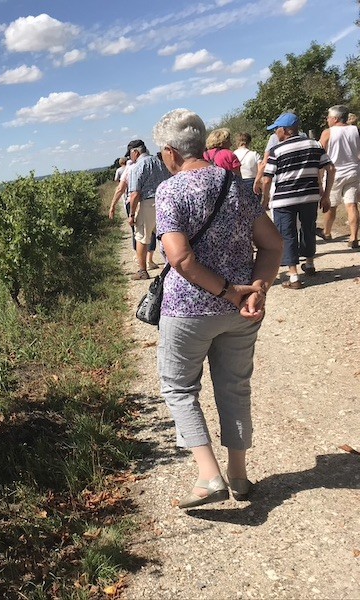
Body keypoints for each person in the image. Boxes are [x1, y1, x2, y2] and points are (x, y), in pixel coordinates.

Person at [152, 108, 283, 509]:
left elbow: (180, 259)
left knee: (179, 388)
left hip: (188, 309)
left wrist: (227, 291)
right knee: (235, 388)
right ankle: (239, 476)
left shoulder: (171, 191)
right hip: (241, 311)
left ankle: (209, 476)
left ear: (171, 152)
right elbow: (273, 245)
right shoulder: (237, 185)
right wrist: (255, 289)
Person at [261, 112, 335, 289]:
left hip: (283, 199)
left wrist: (265, 198)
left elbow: (267, 178)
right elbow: (330, 168)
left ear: (285, 130)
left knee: (286, 233)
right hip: (309, 196)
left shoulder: (276, 150)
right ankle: (309, 264)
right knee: (308, 229)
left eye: (277, 130)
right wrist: (326, 195)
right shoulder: (314, 144)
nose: (275, 134)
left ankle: (293, 276)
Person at [317, 105, 360, 245]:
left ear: (335, 118)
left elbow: (319, 154)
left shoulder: (328, 133)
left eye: (329, 117)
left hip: (335, 172)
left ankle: (327, 232)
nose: (327, 119)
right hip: (353, 170)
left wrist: (319, 175)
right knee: (352, 205)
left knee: (331, 204)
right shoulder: (355, 130)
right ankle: (354, 237)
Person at [127, 139, 169, 279]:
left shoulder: (137, 167)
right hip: (164, 200)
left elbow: (135, 194)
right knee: (166, 236)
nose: (130, 157)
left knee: (142, 237)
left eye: (130, 154)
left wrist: (132, 214)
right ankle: (173, 267)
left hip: (148, 203)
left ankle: (142, 270)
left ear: (136, 152)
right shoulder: (159, 161)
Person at [109, 155, 159, 268]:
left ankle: (140, 261)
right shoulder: (155, 163)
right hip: (155, 200)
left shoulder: (130, 169)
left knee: (138, 232)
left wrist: (113, 206)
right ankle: (150, 260)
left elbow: (120, 188)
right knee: (152, 231)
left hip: (135, 202)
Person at [233, 133, 261, 198]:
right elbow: (261, 169)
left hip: (238, 183)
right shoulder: (254, 154)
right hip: (253, 182)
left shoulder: (233, 155)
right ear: (249, 142)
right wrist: (258, 182)